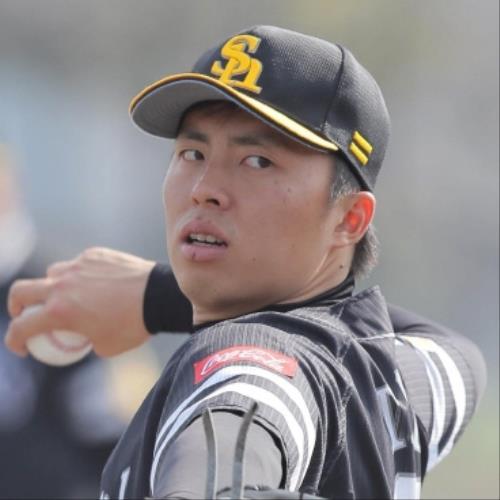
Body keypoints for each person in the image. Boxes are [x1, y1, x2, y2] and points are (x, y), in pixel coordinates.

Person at [4, 26, 486, 499]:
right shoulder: (392, 373)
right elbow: (461, 357)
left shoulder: (241, 364)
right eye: (192, 152)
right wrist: (158, 298)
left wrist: (159, 300)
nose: (204, 189)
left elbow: (239, 415)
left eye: (257, 161)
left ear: (349, 219)